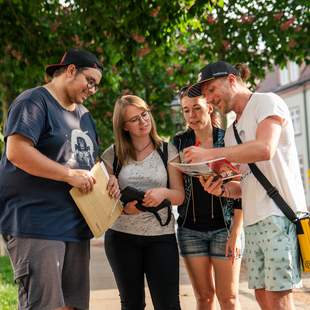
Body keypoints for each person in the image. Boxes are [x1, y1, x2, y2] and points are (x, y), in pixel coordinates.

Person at [184, 61, 308, 310]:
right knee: (262, 297)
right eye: (205, 93)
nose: (209, 99)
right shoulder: (232, 131)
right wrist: (223, 189)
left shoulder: (266, 102)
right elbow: (245, 184)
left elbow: (265, 149)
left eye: (211, 89)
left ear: (231, 80)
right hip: (253, 221)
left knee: (279, 298)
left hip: (278, 217)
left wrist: (209, 154)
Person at [0, 48, 104, 310]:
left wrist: (107, 179)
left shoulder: (84, 116)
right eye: (89, 81)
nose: (92, 89)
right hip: (37, 224)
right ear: (70, 70)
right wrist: (68, 175)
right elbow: (17, 152)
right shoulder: (34, 102)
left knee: (74, 305)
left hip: (76, 226)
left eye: (96, 85)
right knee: (45, 305)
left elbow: (91, 162)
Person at [101, 95, 185, 310]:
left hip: (161, 238)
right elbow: (102, 202)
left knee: (168, 305)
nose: (143, 121)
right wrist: (123, 209)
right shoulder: (112, 155)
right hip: (121, 239)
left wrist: (163, 193)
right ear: (124, 126)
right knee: (131, 304)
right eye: (134, 119)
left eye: (144, 114)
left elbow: (179, 195)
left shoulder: (168, 151)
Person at [172, 87, 244, 310]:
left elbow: (243, 188)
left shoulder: (229, 138)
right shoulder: (179, 142)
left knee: (229, 298)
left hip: (225, 228)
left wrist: (235, 234)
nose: (191, 116)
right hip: (190, 229)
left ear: (209, 107)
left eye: (197, 108)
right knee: (203, 298)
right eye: (186, 110)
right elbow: (176, 188)